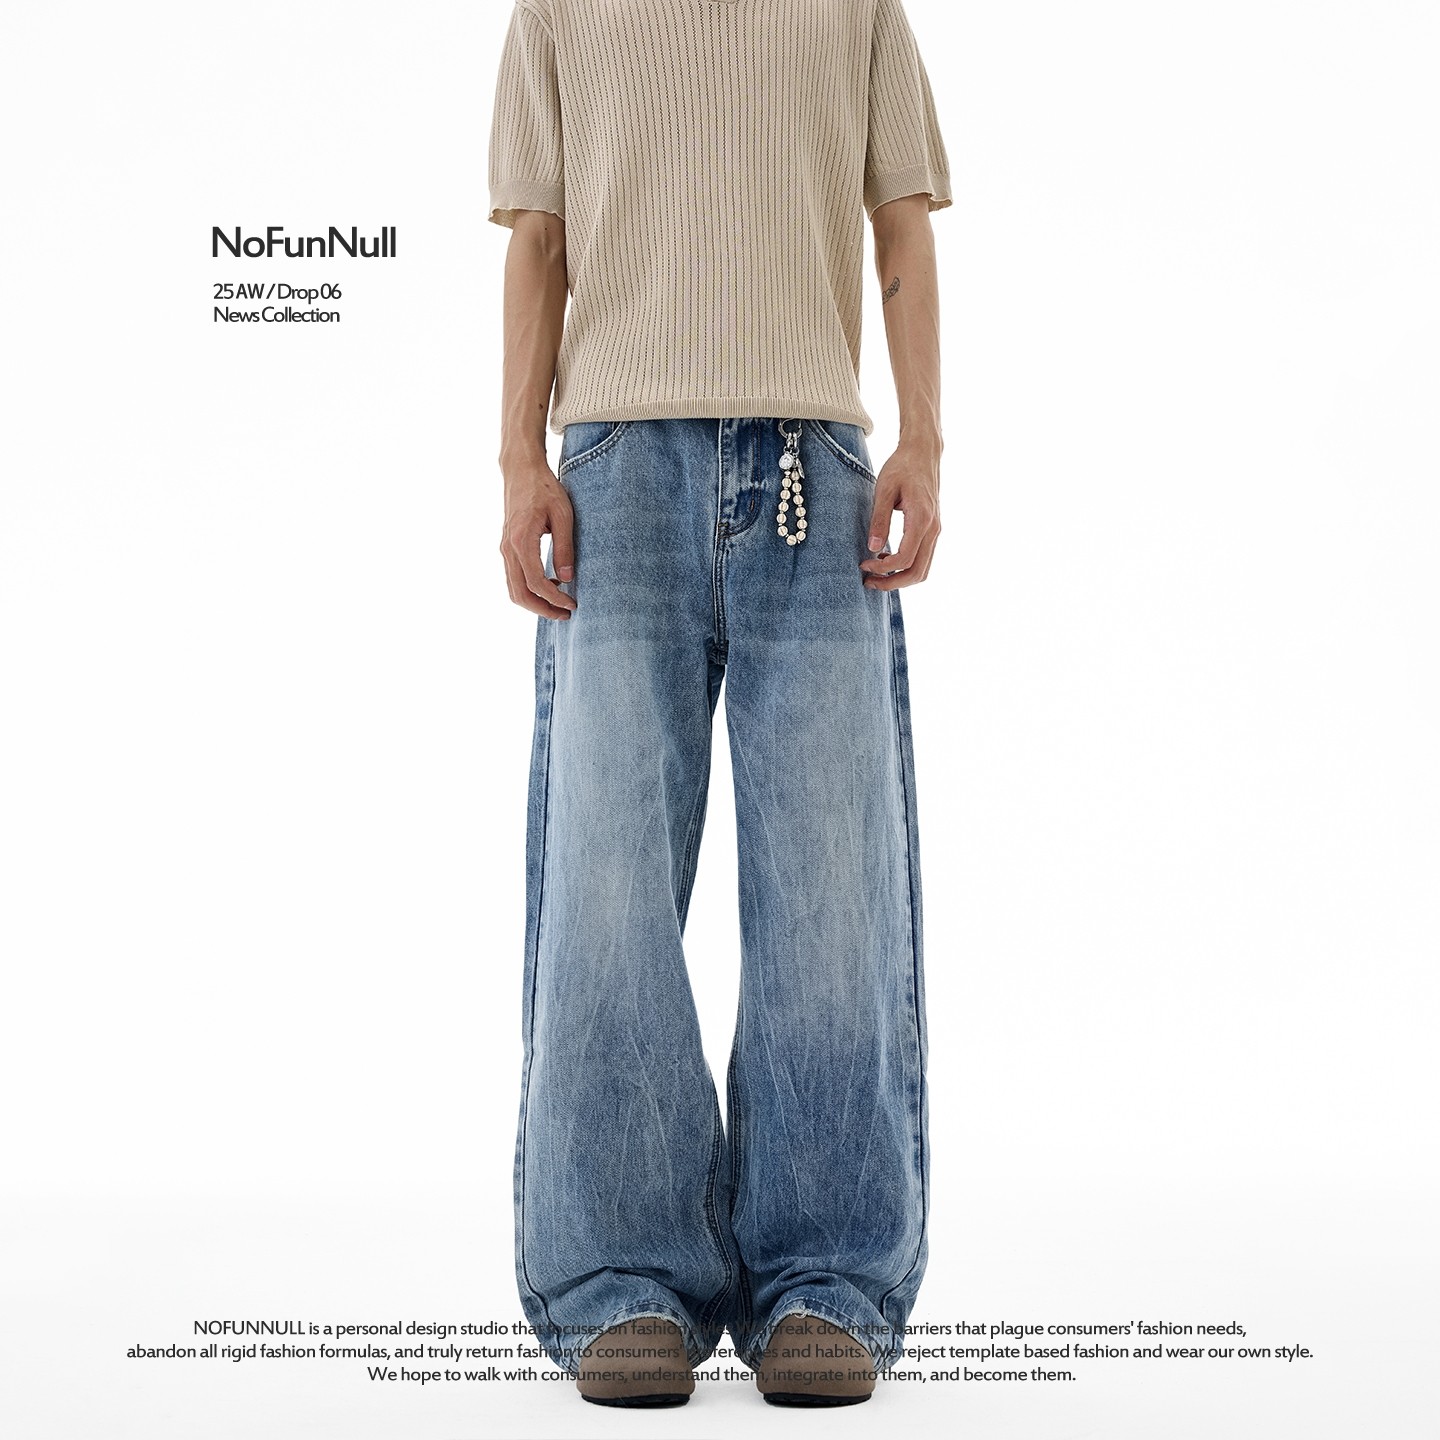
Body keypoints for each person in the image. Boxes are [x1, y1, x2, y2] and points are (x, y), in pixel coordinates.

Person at [487, 0, 950, 1410]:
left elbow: (902, 222)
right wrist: (518, 461)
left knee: (830, 886)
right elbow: (539, 240)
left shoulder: (860, 7)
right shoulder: (557, 10)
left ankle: (827, 1278)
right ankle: (620, 1276)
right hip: (617, 469)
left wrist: (924, 439)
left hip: (818, 467)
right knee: (607, 883)